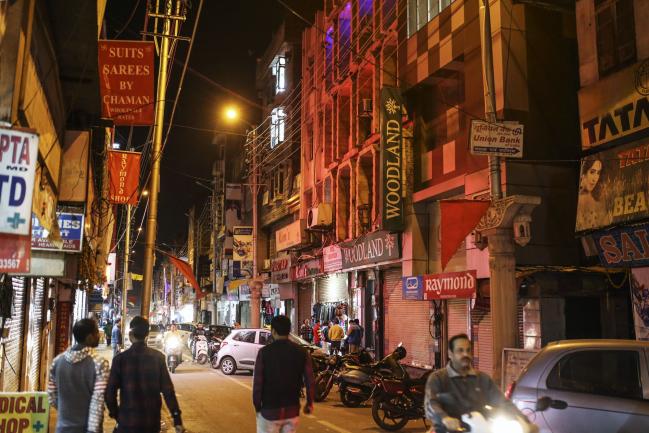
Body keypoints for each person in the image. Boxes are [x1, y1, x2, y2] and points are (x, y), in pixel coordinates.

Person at [424, 334, 535, 433]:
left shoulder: (482, 379)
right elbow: (431, 404)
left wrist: (524, 420)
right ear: (450, 353)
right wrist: (444, 418)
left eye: (468, 350)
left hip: (480, 429)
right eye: (460, 351)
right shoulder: (438, 378)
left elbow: (502, 402)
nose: (465, 354)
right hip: (446, 429)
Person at [105, 316, 184, 433]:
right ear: (147, 334)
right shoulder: (158, 358)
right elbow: (168, 391)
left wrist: (118, 416)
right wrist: (176, 418)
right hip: (151, 423)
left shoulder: (120, 360)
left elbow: (109, 394)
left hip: (127, 423)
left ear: (130, 334)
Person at [253, 315, 315, 433]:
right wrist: (309, 402)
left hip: (269, 411)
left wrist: (257, 406)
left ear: (273, 331)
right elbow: (310, 380)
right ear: (289, 331)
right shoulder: (302, 352)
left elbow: (258, 383)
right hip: (292, 410)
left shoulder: (264, 352)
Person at [47, 318, 110, 433]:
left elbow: (51, 396)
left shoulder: (57, 361)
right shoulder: (99, 363)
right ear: (89, 337)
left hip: (62, 428)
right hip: (86, 429)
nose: (99, 335)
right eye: (96, 332)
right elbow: (98, 401)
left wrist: (67, 411)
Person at [576, 155, 606, 231]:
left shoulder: (599, 204)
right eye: (592, 172)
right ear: (583, 174)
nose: (595, 179)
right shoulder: (575, 201)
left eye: (598, 173)